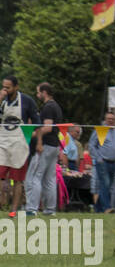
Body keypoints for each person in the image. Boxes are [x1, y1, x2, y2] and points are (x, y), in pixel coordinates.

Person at [0, 74, 39, 213]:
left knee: (17, 179)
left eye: (8, 88)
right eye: (3, 87)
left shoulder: (27, 101)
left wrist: (36, 140)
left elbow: (36, 123)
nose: (5, 90)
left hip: (19, 144)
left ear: (16, 87)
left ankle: (13, 210)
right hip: (3, 141)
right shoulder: (1, 100)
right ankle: (2, 200)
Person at [24, 82, 63, 216]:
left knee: (36, 176)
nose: (37, 95)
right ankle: (50, 209)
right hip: (55, 146)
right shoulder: (56, 106)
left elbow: (47, 128)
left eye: (38, 92)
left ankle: (32, 209)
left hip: (45, 145)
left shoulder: (48, 107)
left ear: (44, 92)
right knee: (50, 178)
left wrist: (30, 135)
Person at [87, 111, 115, 213]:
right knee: (105, 184)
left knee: (108, 186)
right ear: (105, 120)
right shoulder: (101, 130)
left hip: (113, 163)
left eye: (113, 119)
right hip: (103, 162)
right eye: (109, 119)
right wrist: (98, 158)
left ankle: (97, 208)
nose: (111, 121)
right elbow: (91, 145)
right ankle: (107, 208)